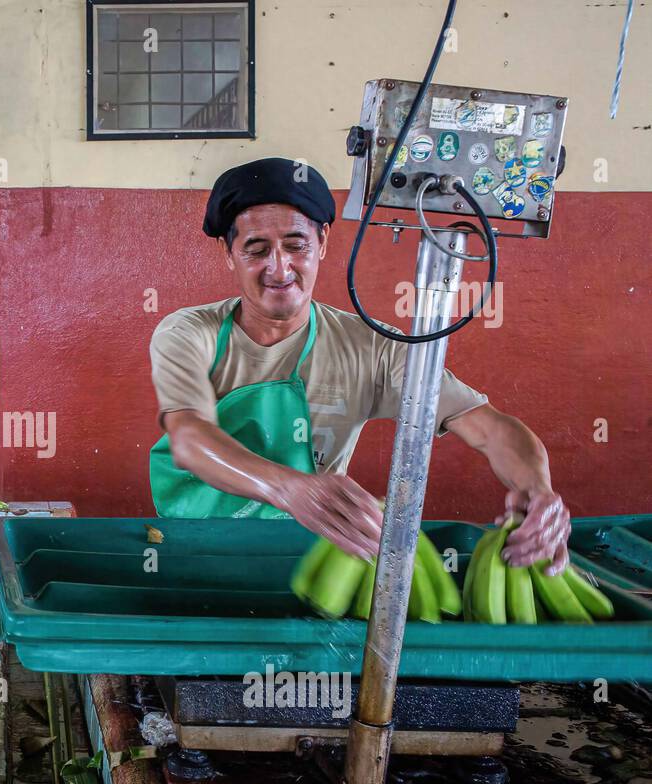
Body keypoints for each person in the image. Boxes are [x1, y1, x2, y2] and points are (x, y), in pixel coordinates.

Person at [148, 157, 570, 573]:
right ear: (227, 252)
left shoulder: (373, 347)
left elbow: (488, 427)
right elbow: (188, 436)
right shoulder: (190, 332)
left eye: (296, 246)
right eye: (256, 250)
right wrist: (289, 489)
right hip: (193, 551)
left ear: (323, 242)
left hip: (313, 557)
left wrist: (536, 489)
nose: (279, 268)